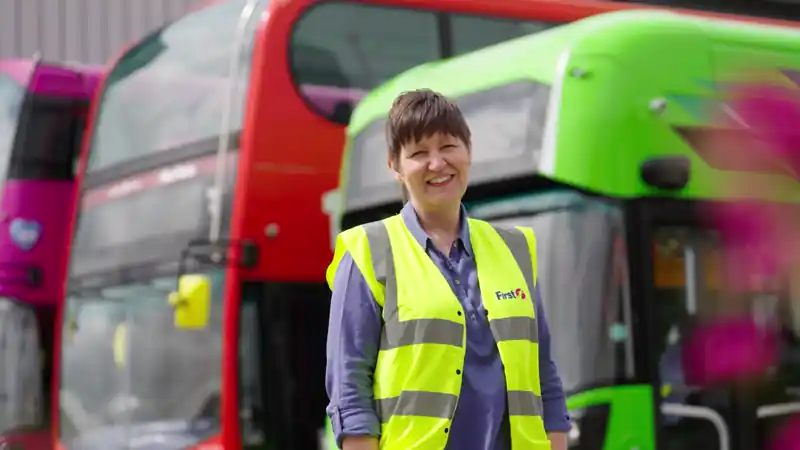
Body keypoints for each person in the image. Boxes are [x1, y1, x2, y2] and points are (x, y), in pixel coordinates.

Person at [325, 89, 570, 450]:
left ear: (468, 150)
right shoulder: (369, 250)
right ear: (395, 166)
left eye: (448, 147)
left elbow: (543, 372)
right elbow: (349, 385)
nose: (437, 164)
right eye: (419, 153)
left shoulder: (515, 248)